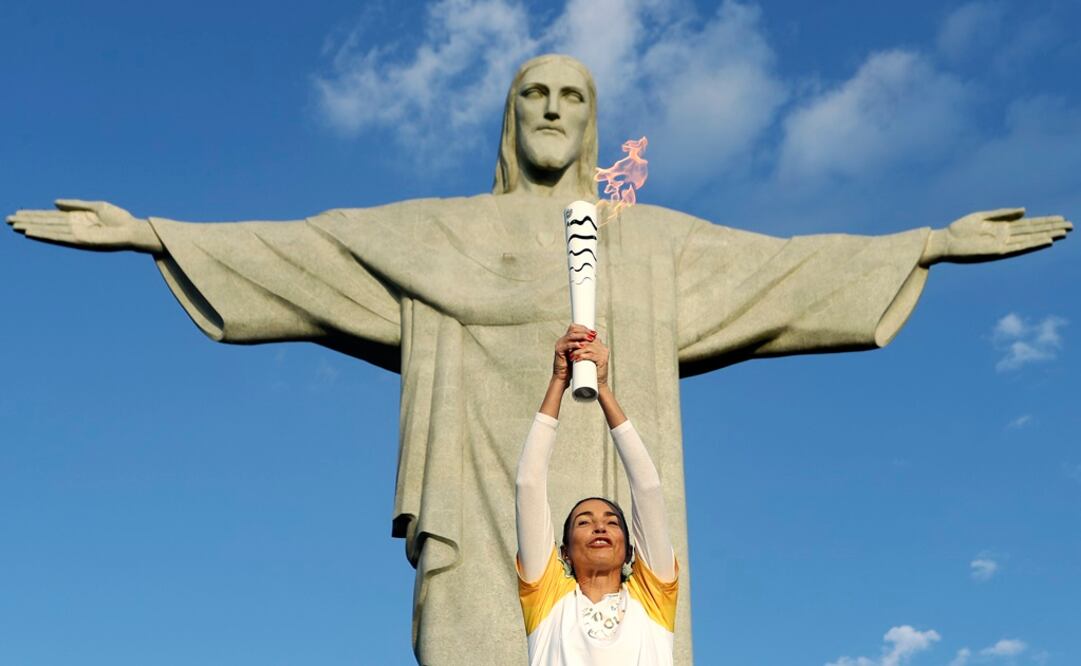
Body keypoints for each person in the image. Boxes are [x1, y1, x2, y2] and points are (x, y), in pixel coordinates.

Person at [6, 53, 1070, 664]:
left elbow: (785, 273)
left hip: (612, 501)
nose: (553, 112)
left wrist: (925, 241)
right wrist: (154, 232)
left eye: (571, 98)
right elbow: (308, 249)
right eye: (533, 97)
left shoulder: (648, 242)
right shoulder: (437, 233)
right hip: (481, 509)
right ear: (509, 120)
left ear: (593, 121)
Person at [517, 325, 677, 665]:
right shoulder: (549, 601)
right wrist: (559, 380)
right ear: (565, 554)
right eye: (584, 523)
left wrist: (602, 388)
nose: (599, 528)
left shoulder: (652, 600)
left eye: (611, 522)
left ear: (632, 550)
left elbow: (648, 488)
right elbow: (528, 485)